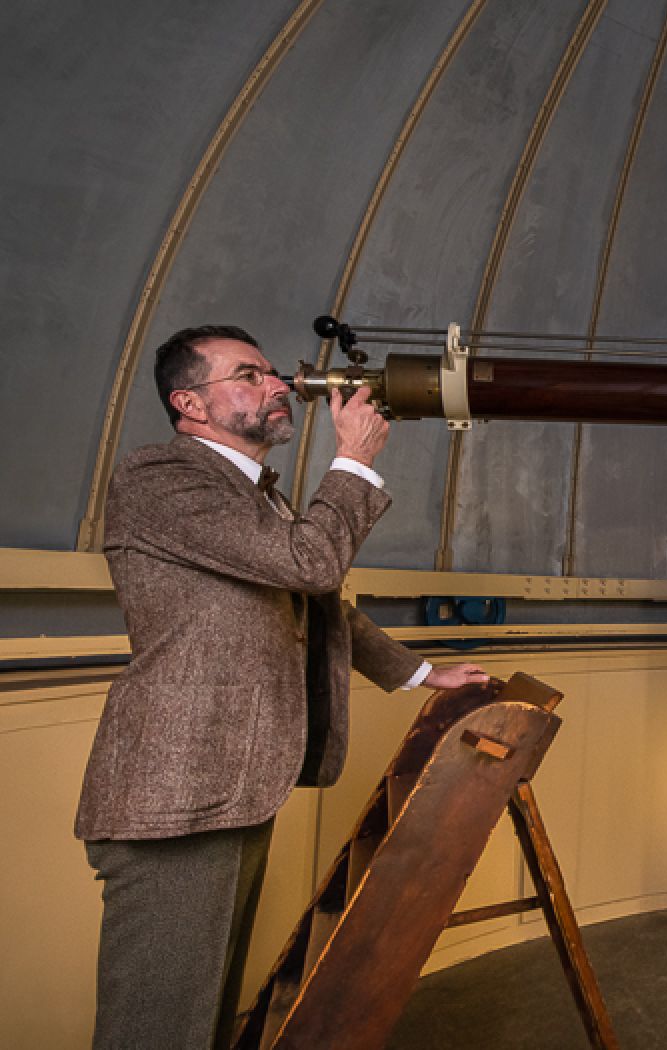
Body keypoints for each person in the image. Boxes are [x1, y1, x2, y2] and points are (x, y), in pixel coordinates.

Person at [75, 324, 491, 1049]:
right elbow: (312, 564)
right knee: (158, 1029)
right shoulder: (161, 477)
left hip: (232, 786)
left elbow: (320, 605)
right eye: (249, 375)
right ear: (189, 404)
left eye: (271, 372)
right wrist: (353, 460)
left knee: (203, 1017)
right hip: (176, 793)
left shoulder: (254, 497)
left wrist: (423, 674)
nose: (278, 386)